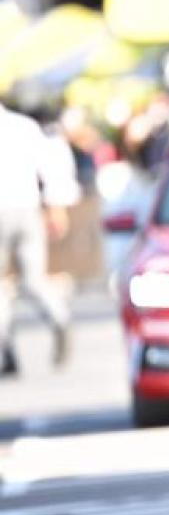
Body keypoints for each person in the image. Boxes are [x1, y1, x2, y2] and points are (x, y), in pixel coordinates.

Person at [0, 100, 79, 376]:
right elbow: (50, 169)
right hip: (28, 210)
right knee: (33, 280)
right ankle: (59, 317)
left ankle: (4, 348)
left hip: (11, 209)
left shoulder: (24, 127)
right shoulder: (24, 126)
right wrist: (56, 206)